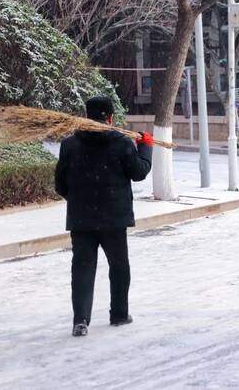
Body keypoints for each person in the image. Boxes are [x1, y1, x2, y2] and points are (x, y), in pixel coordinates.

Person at [54, 97, 153, 337]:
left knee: (82, 269)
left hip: (82, 220)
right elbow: (139, 172)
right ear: (110, 117)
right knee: (119, 267)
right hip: (114, 219)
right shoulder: (122, 143)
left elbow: (60, 185)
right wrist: (146, 147)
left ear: (87, 115)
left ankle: (80, 320)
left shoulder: (69, 145)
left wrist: (80, 201)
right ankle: (119, 314)